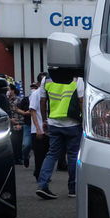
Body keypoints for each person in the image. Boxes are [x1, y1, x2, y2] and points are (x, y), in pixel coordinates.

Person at [35, 70, 84, 200]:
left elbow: (42, 101)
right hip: (72, 123)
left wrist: (45, 120)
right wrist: (84, 120)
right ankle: (72, 189)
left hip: (54, 122)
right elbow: (81, 101)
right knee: (73, 156)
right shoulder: (77, 78)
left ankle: (42, 185)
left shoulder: (46, 79)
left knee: (52, 154)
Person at [28, 73, 50, 180]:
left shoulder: (49, 93)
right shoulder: (36, 94)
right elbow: (32, 111)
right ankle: (39, 175)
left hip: (48, 130)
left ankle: (42, 174)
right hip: (38, 130)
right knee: (39, 156)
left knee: (47, 155)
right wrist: (38, 129)